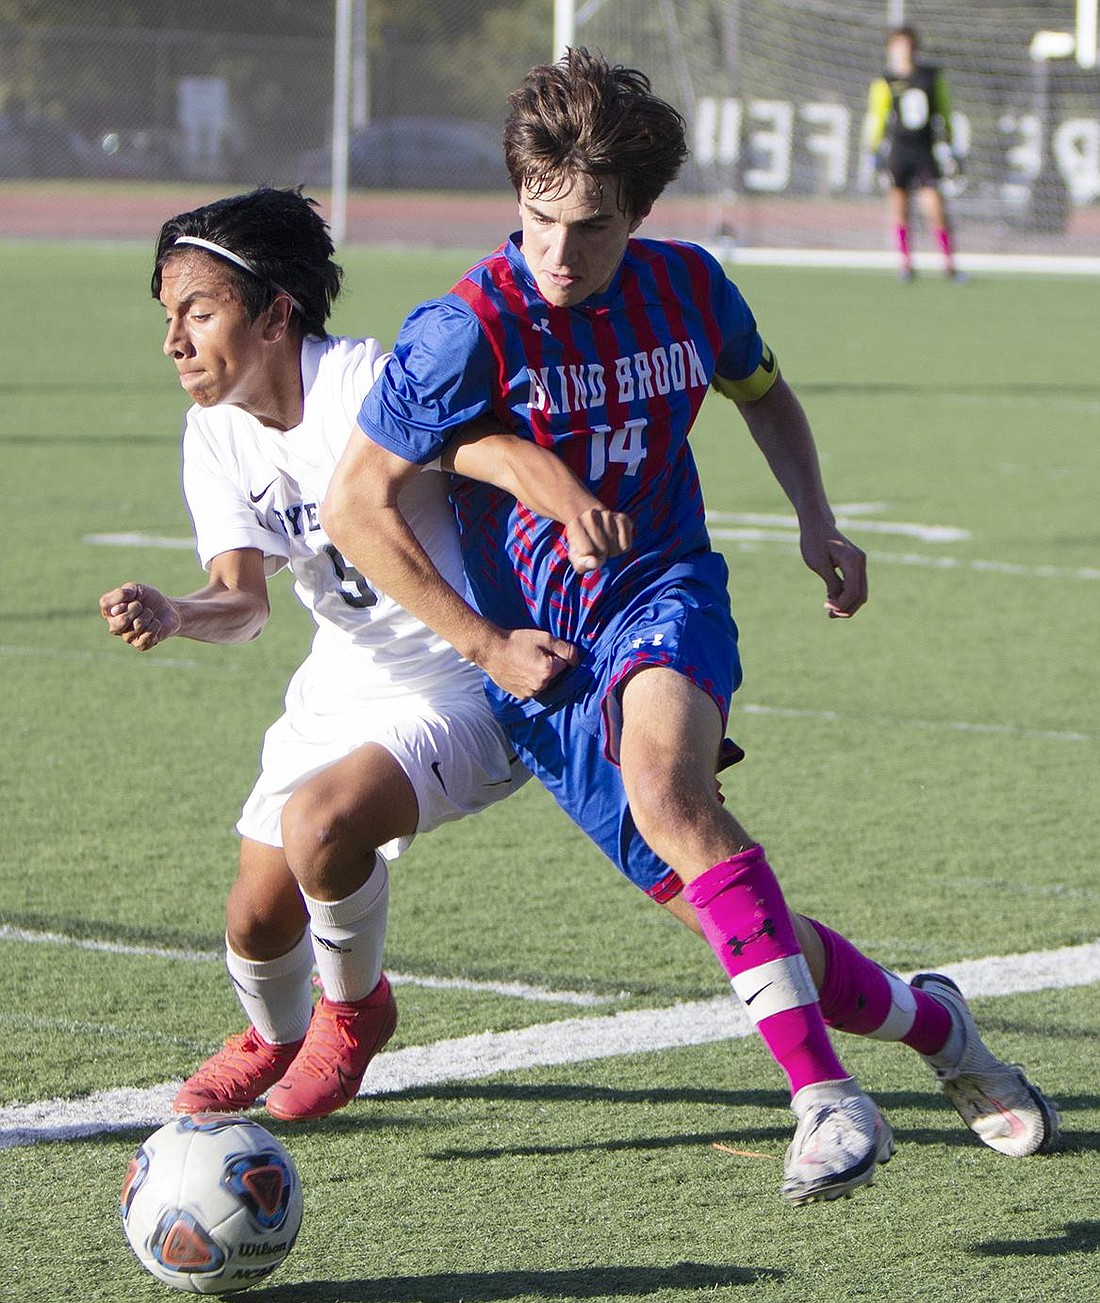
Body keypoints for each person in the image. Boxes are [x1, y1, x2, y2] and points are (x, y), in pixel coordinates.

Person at [321, 49, 1059, 1205]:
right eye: (537, 218)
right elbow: (353, 506)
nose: (559, 252)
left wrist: (817, 519)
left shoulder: (692, 287)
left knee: (670, 794)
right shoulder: (463, 327)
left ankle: (820, 1098)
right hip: (541, 669)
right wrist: (484, 644)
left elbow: (761, 391)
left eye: (593, 226)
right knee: (736, 912)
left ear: (641, 213)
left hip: (666, 589)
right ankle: (940, 1034)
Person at [100, 186, 632, 1124]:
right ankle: (274, 1037)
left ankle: (355, 1011)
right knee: (255, 917)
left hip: (470, 679)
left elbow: (492, 450)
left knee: (321, 827)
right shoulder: (214, 431)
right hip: (343, 680)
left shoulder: (364, 382)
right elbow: (242, 600)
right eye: (167, 317)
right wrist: (178, 613)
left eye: (199, 311)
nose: (174, 341)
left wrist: (567, 504)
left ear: (275, 313)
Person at [865, 26, 963, 280]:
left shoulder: (930, 77)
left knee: (935, 208)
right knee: (899, 208)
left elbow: (944, 111)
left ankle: (948, 262)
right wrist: (872, 148)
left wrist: (951, 143)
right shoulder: (885, 81)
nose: (903, 50)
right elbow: (877, 117)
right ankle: (906, 263)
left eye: (906, 44)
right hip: (899, 151)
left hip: (924, 151)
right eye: (898, 44)